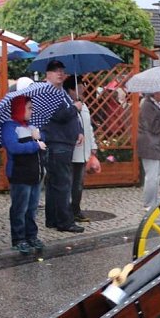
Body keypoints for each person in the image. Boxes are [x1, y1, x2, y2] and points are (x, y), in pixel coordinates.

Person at [41, 60, 85, 233]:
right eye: (55, 70)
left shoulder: (61, 92)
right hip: (56, 142)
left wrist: (79, 130)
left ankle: (53, 218)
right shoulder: (48, 92)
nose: (60, 73)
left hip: (64, 141)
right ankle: (65, 221)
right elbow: (59, 115)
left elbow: (71, 117)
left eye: (61, 70)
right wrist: (75, 108)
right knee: (62, 184)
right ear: (48, 74)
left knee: (55, 184)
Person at [2, 95, 46, 254]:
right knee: (20, 208)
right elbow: (13, 147)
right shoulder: (9, 126)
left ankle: (31, 235)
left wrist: (38, 137)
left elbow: (42, 141)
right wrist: (34, 144)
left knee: (32, 208)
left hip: (34, 173)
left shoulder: (31, 126)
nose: (31, 111)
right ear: (20, 108)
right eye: (29, 108)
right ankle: (18, 238)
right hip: (19, 174)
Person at [63, 76, 97, 223]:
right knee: (71, 183)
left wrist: (93, 145)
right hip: (73, 152)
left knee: (79, 183)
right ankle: (68, 211)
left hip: (84, 151)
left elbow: (88, 128)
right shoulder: (68, 106)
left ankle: (76, 208)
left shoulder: (84, 106)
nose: (82, 89)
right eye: (79, 87)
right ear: (71, 89)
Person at [137, 90, 160, 211]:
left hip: (157, 146)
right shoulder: (147, 106)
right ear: (155, 93)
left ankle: (154, 203)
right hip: (150, 146)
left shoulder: (155, 105)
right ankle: (148, 204)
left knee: (156, 176)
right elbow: (153, 127)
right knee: (151, 176)